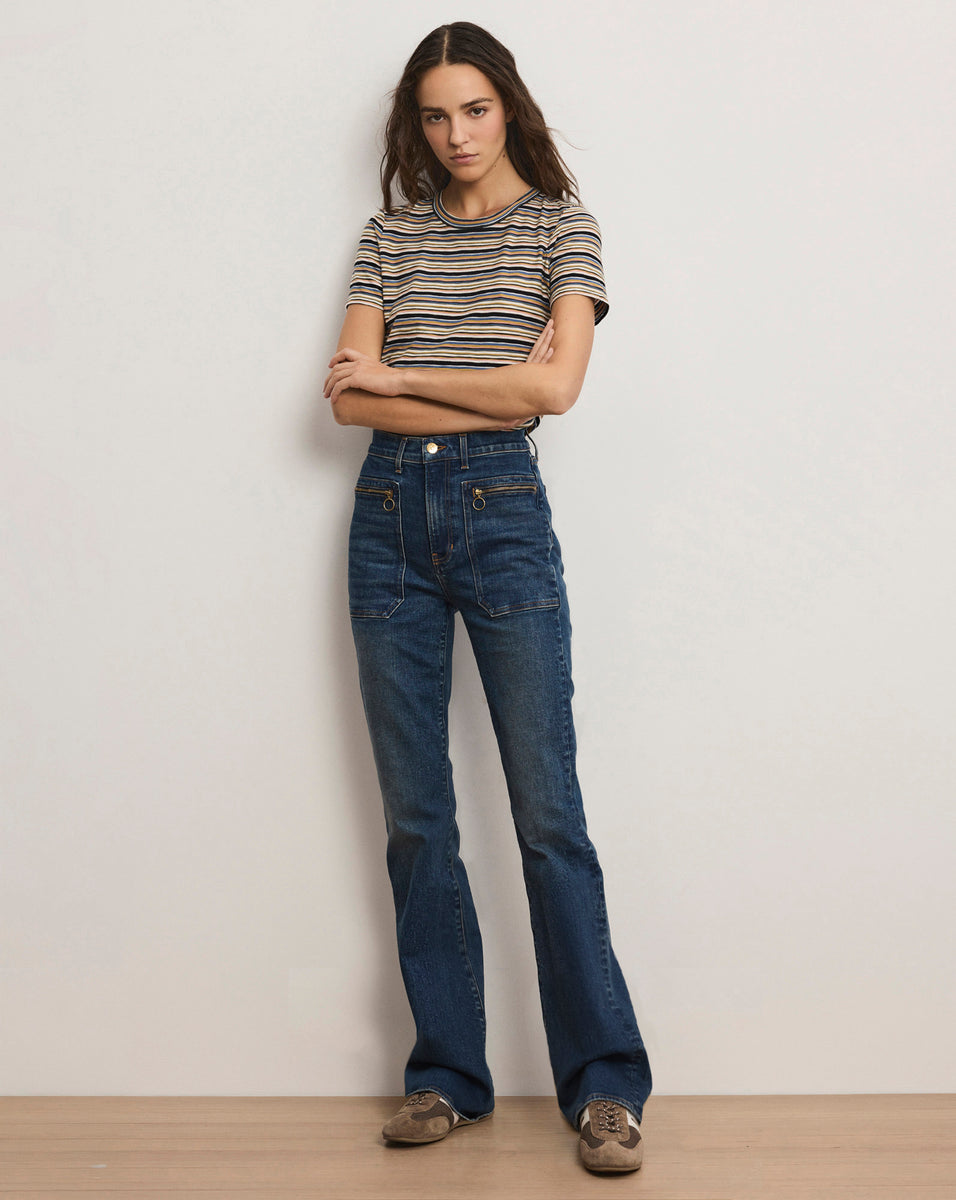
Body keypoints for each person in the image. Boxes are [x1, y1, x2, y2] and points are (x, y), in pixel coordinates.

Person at [324, 21, 652, 1175]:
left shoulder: (562, 228)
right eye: (433, 115)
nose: (455, 134)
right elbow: (347, 403)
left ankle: (604, 1088)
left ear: (507, 106)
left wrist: (405, 372)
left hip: (501, 512)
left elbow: (550, 392)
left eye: (473, 108)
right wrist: (468, 387)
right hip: (385, 521)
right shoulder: (389, 237)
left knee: (546, 815)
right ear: (413, 125)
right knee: (417, 820)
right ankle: (445, 1078)